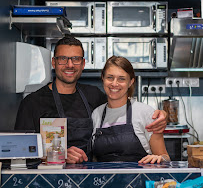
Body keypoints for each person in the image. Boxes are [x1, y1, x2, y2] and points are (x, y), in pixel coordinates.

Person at [15, 36, 167, 163]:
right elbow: (18, 154)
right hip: (49, 182)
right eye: (63, 59)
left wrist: (160, 115)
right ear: (54, 63)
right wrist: (57, 155)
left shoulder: (93, 96)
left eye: (75, 59)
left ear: (83, 64)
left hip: (89, 182)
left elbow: (120, 106)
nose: (70, 65)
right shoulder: (32, 103)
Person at [91, 56, 170, 164]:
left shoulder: (145, 113)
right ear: (103, 78)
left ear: (130, 82)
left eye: (121, 79)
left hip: (140, 179)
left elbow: (165, 157)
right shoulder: (96, 114)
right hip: (103, 180)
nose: (114, 83)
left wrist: (160, 159)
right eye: (110, 77)